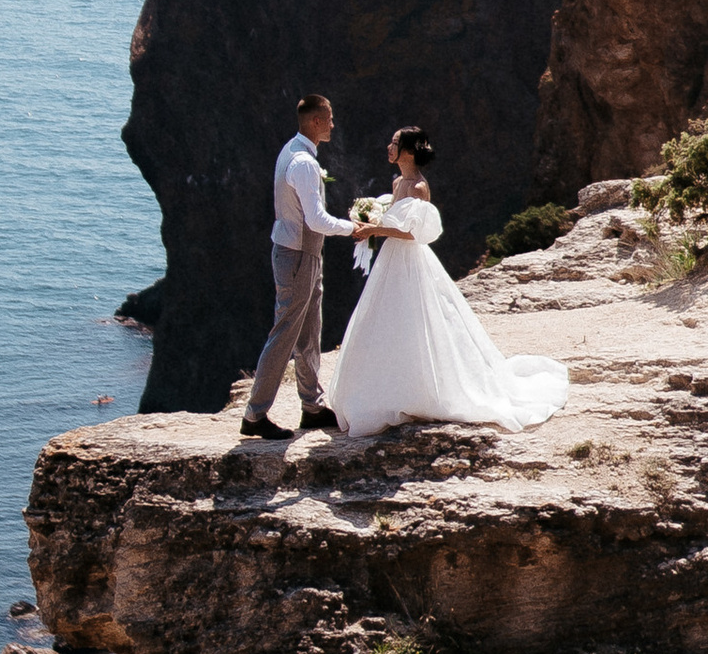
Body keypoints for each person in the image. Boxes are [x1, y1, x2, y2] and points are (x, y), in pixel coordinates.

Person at [328, 124, 569, 438]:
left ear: (410, 152)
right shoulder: (398, 182)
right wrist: (376, 221)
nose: (389, 147)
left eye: (395, 143)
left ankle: (416, 392)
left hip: (409, 259)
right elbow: (396, 218)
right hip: (392, 260)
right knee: (387, 321)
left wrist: (376, 230)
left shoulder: (417, 187)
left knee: (414, 320)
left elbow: (414, 233)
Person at [240, 92, 349, 439]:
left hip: (301, 255)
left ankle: (312, 406)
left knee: (308, 333)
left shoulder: (293, 150)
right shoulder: (303, 163)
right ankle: (255, 415)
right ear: (316, 122)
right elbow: (315, 220)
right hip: (299, 257)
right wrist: (354, 229)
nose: (332, 123)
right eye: (329, 118)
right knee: (285, 334)